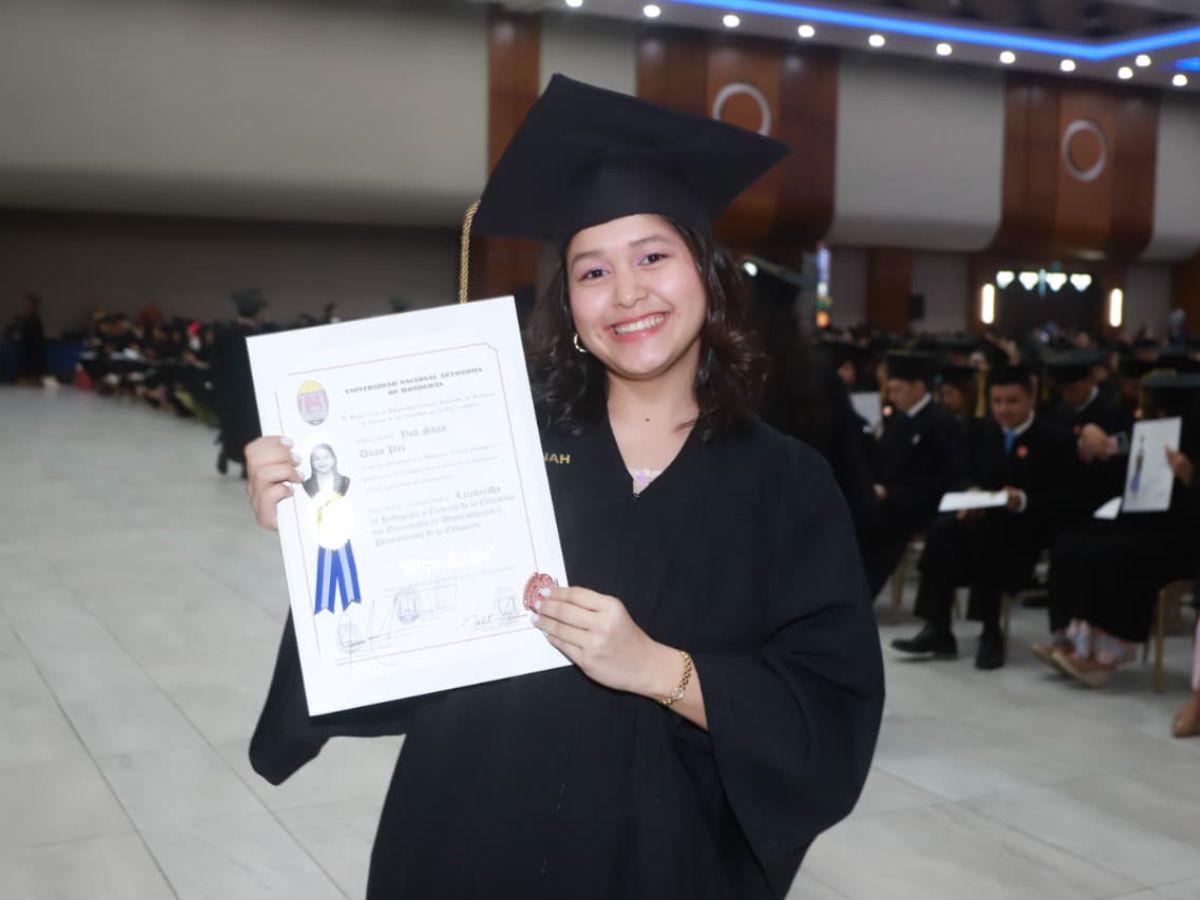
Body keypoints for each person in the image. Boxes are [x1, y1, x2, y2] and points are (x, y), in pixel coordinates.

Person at [244, 75, 883, 900]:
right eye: (592, 272)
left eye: (653, 256)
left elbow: (825, 709)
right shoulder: (490, 443)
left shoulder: (789, 484)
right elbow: (389, 629)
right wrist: (320, 523)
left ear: (708, 273)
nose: (626, 295)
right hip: (467, 837)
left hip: (667, 861)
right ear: (569, 302)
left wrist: (659, 668)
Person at [891, 364, 1082, 669]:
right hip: (978, 522)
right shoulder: (980, 431)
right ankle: (938, 627)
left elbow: (1066, 498)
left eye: (1012, 401)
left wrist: (1022, 500)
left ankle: (991, 631)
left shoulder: (1053, 439)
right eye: (997, 401)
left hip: (1028, 529)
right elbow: (959, 474)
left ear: (1031, 398)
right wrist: (972, 492)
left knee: (991, 534)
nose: (1004, 410)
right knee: (942, 531)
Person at [1038, 375, 1200, 687]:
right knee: (1073, 543)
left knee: (1115, 554)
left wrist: (1189, 475)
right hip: (1142, 520)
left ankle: (1103, 657)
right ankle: (1069, 640)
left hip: (1182, 537)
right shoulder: (1145, 433)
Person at [858, 352, 958, 599]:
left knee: (879, 527)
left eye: (898, 389)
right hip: (892, 499)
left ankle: (861, 594)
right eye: (890, 390)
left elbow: (939, 477)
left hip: (922, 505)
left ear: (918, 387)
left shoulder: (941, 422)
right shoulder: (897, 420)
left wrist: (890, 492)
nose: (892, 396)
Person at [211, 288, 268, 477]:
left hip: (229, 389)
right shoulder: (258, 334)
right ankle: (245, 464)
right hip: (251, 389)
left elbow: (216, 362)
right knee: (251, 427)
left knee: (231, 424)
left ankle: (227, 452)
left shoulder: (225, 332)